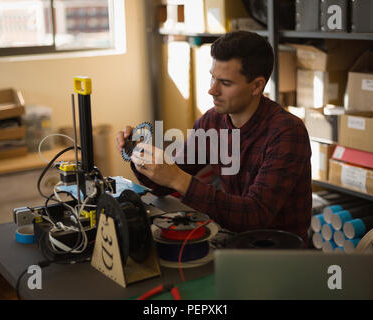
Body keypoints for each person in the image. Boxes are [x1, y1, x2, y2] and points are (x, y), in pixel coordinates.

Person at [116, 31, 312, 244]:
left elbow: (255, 216)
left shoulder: (287, 132)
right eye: (212, 77)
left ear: (256, 86)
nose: (212, 90)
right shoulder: (212, 122)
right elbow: (165, 185)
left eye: (225, 83)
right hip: (233, 239)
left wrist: (178, 178)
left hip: (278, 253)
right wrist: (139, 156)